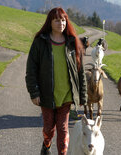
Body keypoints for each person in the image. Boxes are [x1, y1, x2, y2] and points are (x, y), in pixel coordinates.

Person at [25, 7, 87, 155]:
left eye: (63, 20)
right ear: (50, 22)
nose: (61, 23)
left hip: (66, 95)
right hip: (46, 95)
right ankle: (46, 145)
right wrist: (34, 92)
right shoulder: (40, 42)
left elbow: (81, 72)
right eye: (57, 20)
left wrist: (82, 96)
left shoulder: (72, 43)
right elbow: (31, 70)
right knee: (48, 128)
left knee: (63, 129)